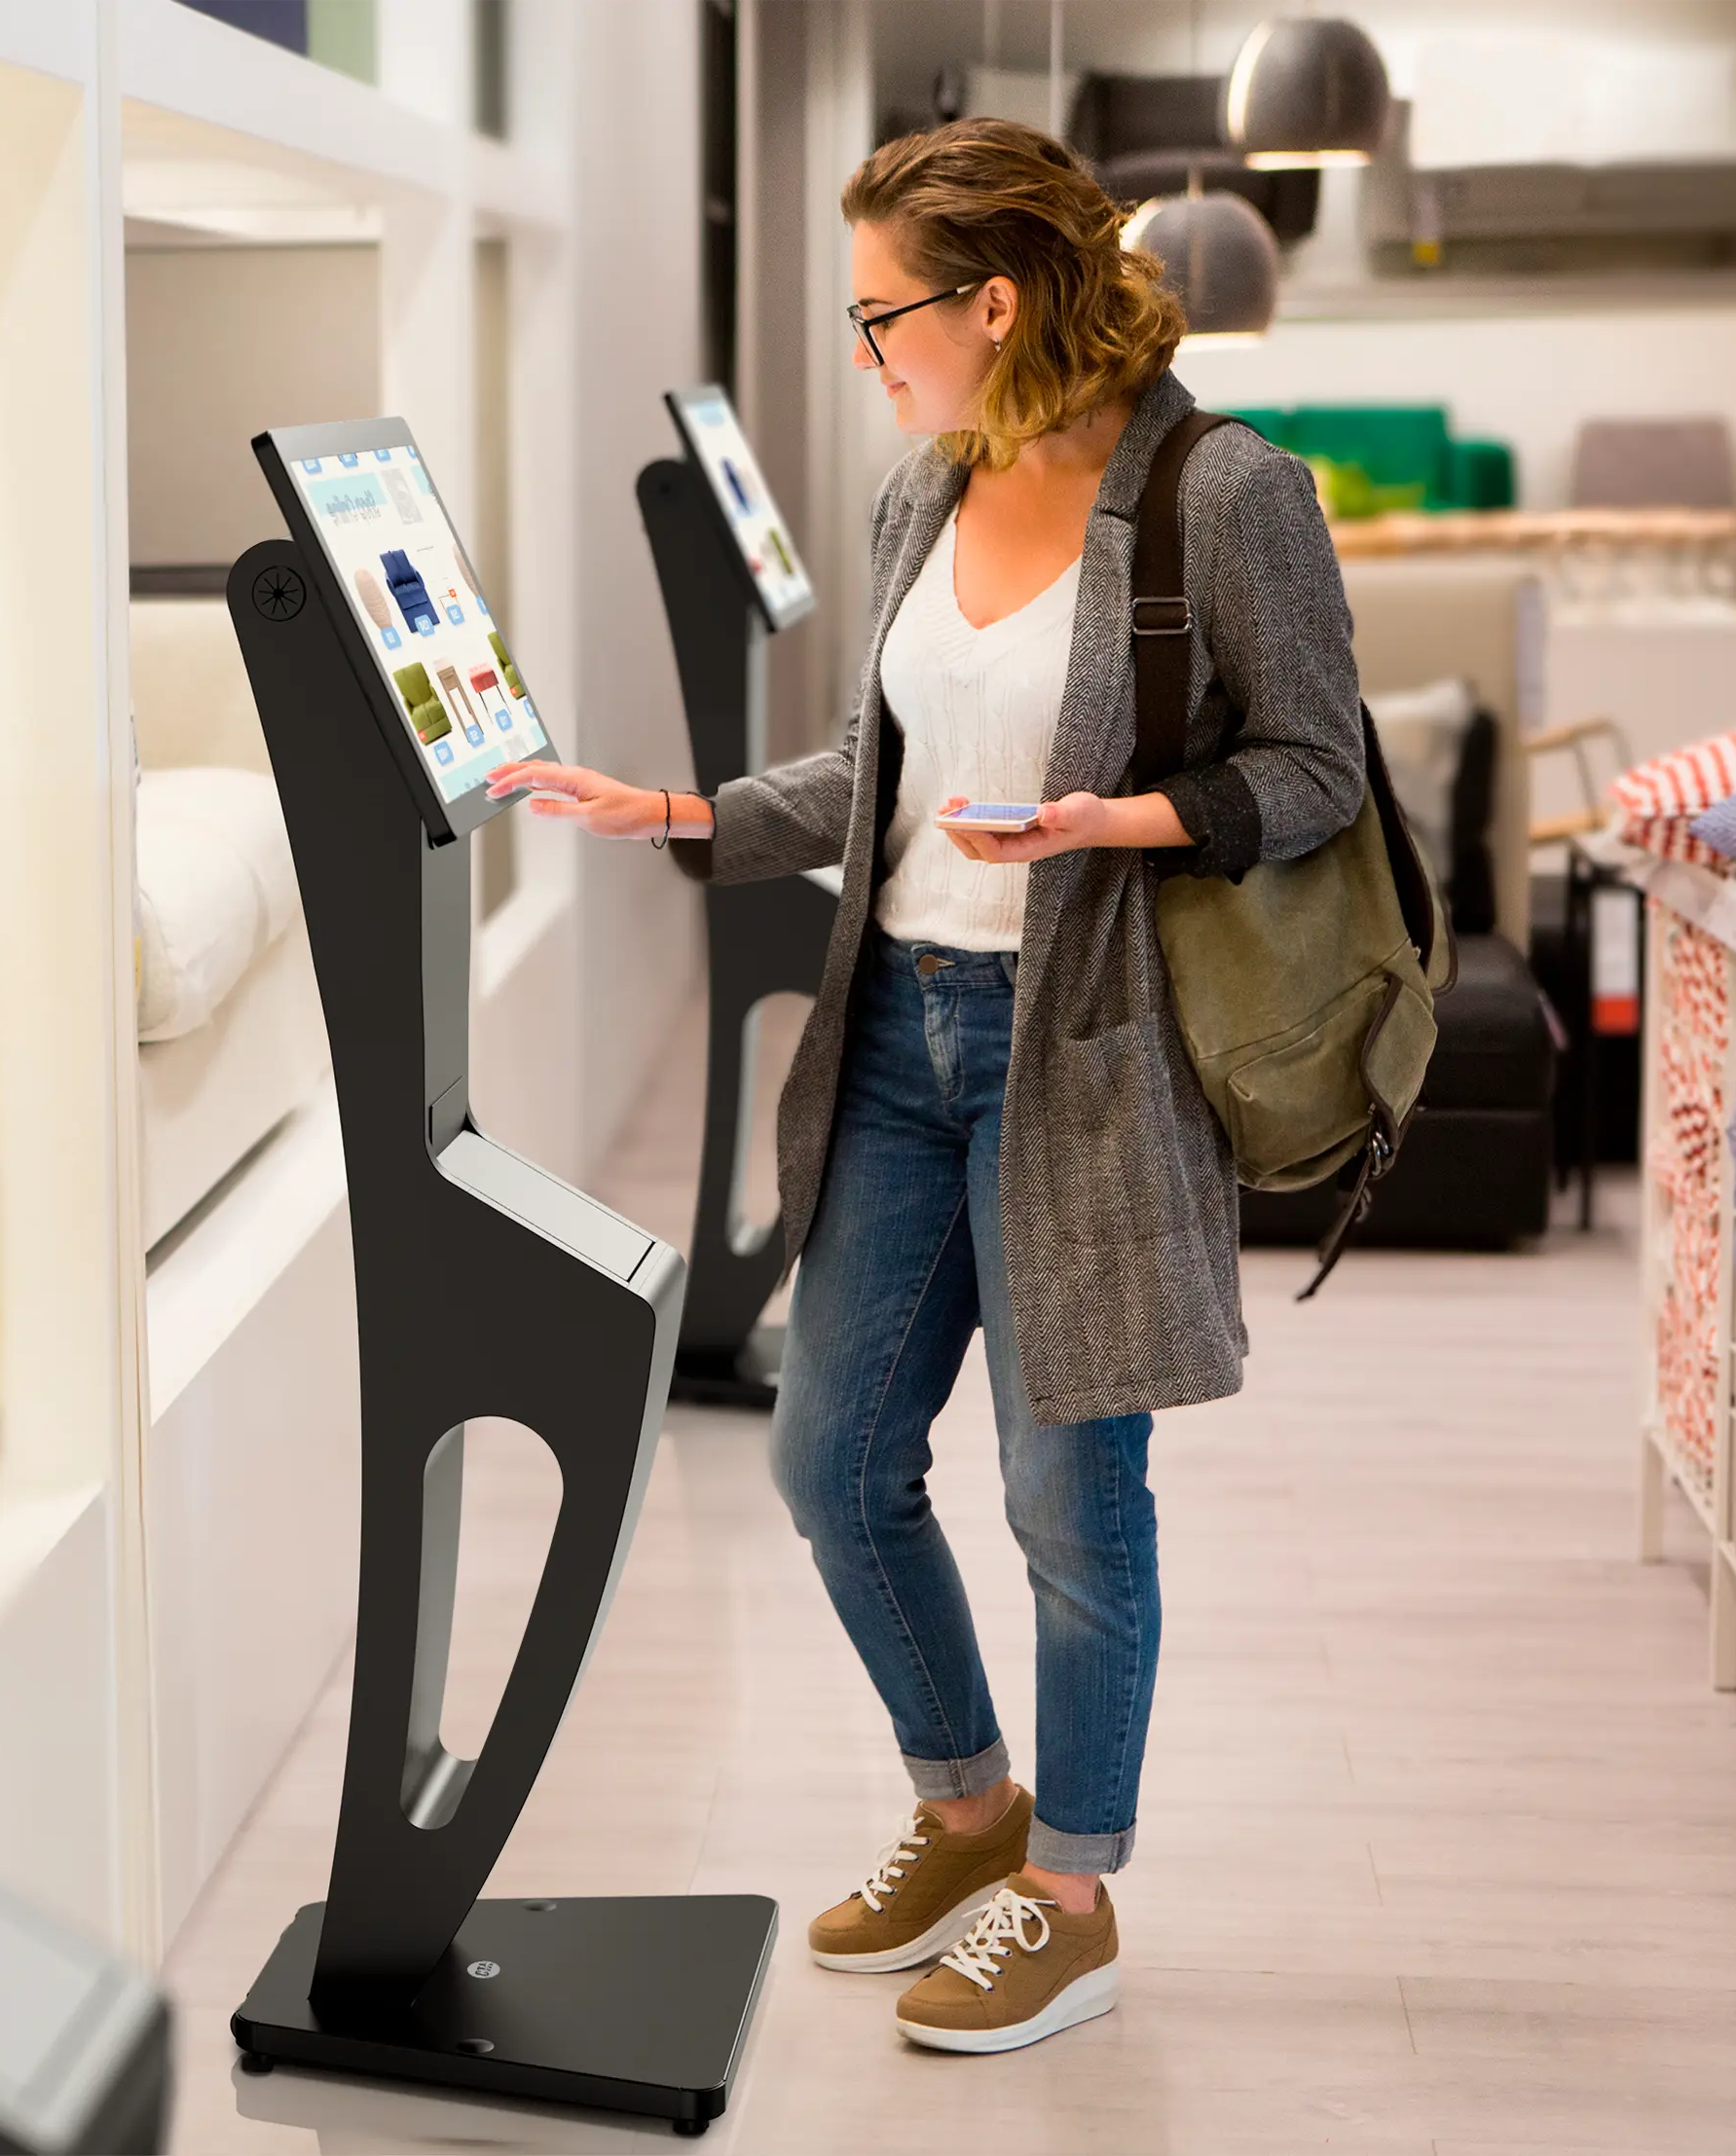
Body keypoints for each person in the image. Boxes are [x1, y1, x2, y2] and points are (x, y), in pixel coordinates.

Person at [489, 118, 1363, 2056]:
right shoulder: (923, 490)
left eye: (886, 310)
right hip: (893, 1038)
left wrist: (1118, 818)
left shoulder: (1226, 496)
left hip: (1087, 1057)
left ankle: (1073, 1892)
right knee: (829, 1459)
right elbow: (876, 777)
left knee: (1070, 1491)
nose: (868, 347)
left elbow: (1316, 770)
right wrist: (681, 811)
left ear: (996, 298)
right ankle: (970, 1809)